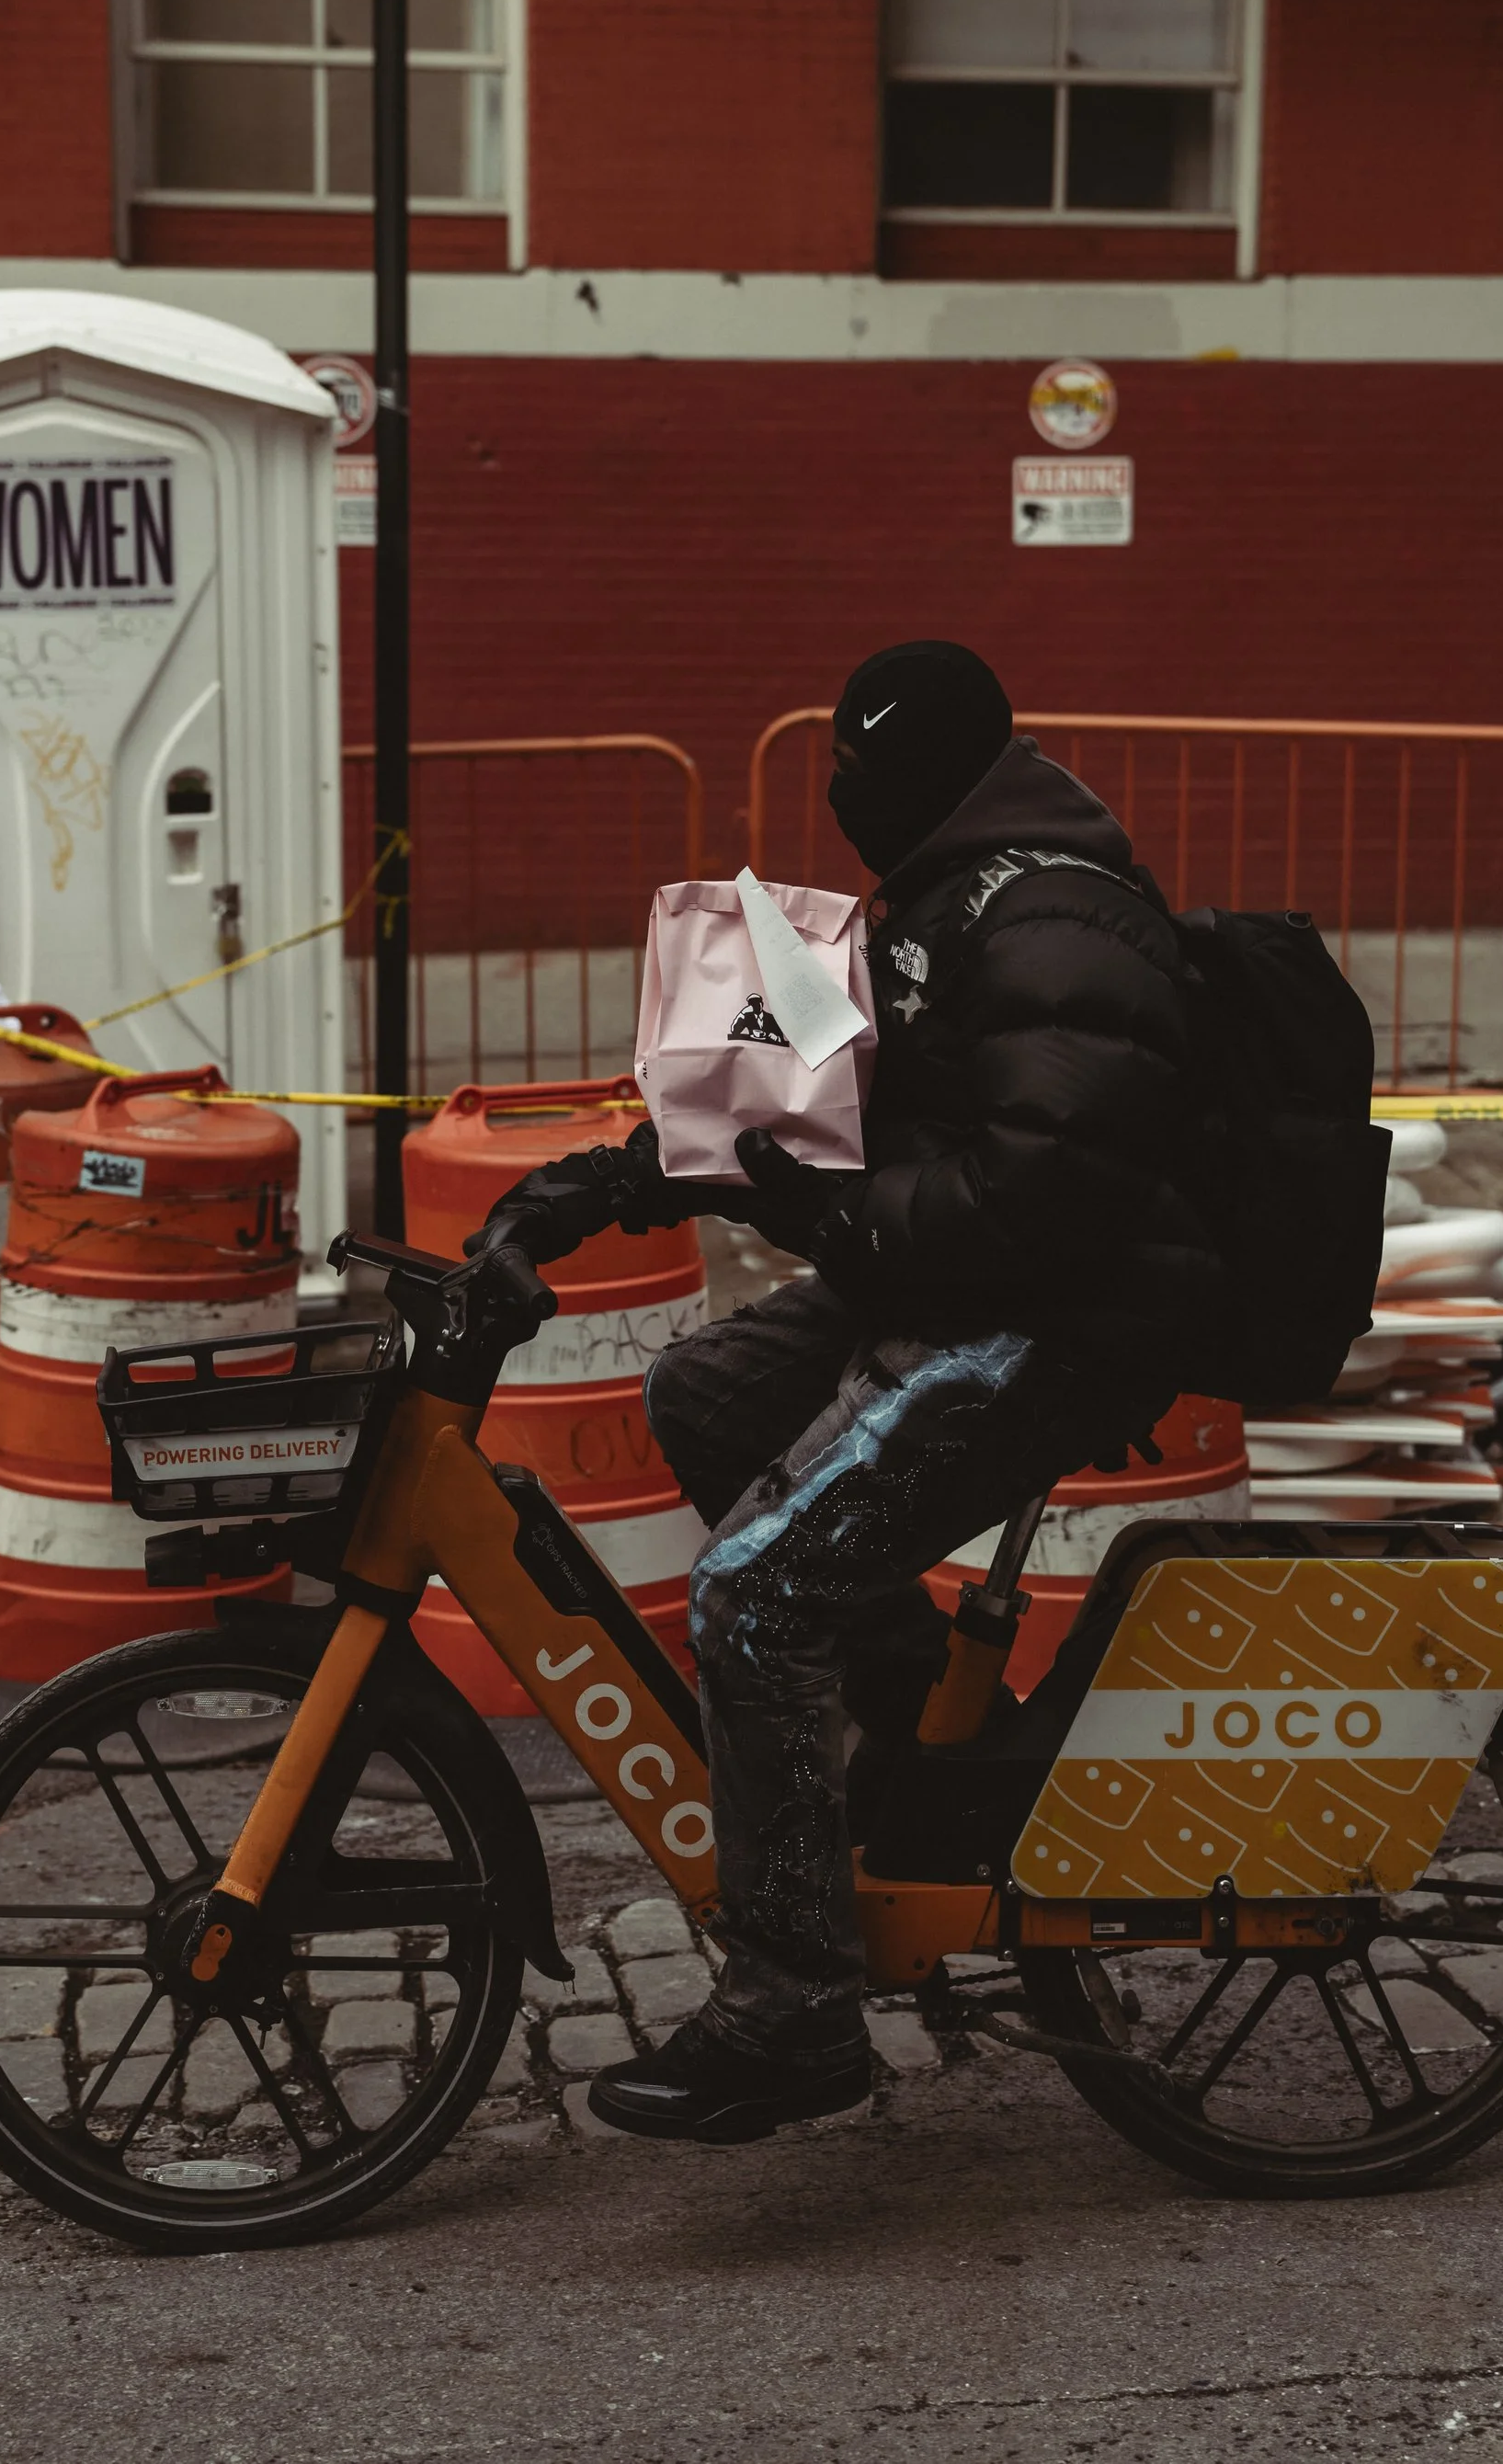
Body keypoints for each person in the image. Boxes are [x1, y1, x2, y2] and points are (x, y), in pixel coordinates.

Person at [472, 641, 1224, 2142]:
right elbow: (797, 1107)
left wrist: (822, 1219)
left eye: (859, 772)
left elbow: (1027, 1207)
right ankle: (920, 1763)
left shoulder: (1060, 924)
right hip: (960, 1286)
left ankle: (796, 2010)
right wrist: (596, 1190)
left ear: (930, 777)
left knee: (754, 1593)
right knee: (703, 1397)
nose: (841, 799)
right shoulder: (950, 903)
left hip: (1064, 1322)